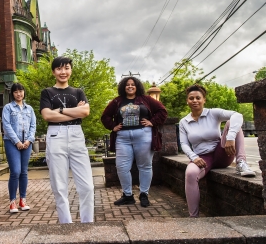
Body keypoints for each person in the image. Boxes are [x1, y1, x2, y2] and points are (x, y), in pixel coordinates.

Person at [179, 84, 256, 218]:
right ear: (187, 101)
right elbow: (184, 144)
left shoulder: (213, 113)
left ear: (204, 100)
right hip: (202, 158)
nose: (195, 100)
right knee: (190, 173)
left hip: (221, 153)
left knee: (231, 122)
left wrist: (230, 137)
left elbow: (237, 115)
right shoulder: (184, 122)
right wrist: (194, 157)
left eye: (198, 97)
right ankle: (193, 218)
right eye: (191, 98)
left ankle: (241, 163)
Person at [39, 56, 94, 224]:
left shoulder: (78, 92)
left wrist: (60, 110)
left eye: (66, 68)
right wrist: (73, 111)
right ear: (54, 71)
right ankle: (66, 225)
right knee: (59, 186)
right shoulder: (47, 92)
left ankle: (87, 224)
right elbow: (47, 115)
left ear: (71, 70)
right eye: (59, 69)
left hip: (77, 135)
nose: (63, 72)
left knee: (87, 186)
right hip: (56, 136)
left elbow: (85, 113)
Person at [101, 77, 167, 207]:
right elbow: (105, 116)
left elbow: (162, 111)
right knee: (121, 167)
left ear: (137, 86)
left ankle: (144, 194)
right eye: (127, 85)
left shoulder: (146, 100)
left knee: (145, 166)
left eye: (132, 84)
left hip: (143, 135)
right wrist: (113, 126)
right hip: (123, 137)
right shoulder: (117, 101)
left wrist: (152, 122)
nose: (130, 86)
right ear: (123, 87)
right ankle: (127, 195)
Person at [2, 83, 37, 213]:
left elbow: (33, 125)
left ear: (24, 92)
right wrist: (17, 141)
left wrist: (29, 140)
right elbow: (6, 125)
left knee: (24, 171)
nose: (19, 94)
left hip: (27, 143)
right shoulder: (8, 108)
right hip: (12, 143)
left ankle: (23, 199)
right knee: (15, 171)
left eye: (21, 91)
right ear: (12, 93)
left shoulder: (30, 109)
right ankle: (12, 201)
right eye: (16, 91)